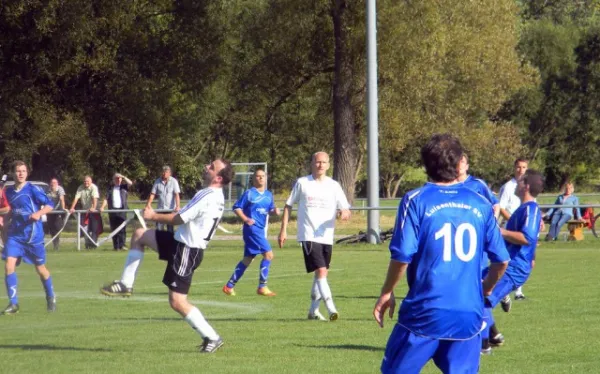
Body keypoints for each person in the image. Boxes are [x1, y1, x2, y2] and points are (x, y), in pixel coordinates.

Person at [373, 134, 509, 374]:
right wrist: (486, 288)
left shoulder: (415, 200)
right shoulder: (480, 204)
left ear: (425, 166)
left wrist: (386, 292)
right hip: (469, 315)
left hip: (425, 312)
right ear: (459, 164)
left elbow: (402, 255)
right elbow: (501, 260)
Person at [100, 159, 234, 353]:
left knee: (177, 302)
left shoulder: (207, 194)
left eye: (211, 168)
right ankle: (125, 284)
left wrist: (153, 216)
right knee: (139, 235)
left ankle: (212, 337)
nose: (206, 168)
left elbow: (179, 219)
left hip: (187, 250)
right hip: (180, 242)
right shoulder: (216, 195)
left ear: (218, 178)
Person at [278, 152, 351, 321]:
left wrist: (345, 213)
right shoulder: (303, 183)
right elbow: (288, 205)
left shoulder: (334, 185)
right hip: (308, 234)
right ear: (312, 163)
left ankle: (313, 311)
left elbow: (345, 208)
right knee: (321, 270)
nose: (320, 165)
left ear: (328, 165)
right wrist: (283, 230)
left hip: (326, 235)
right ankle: (331, 308)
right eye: (317, 162)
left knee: (320, 274)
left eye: (324, 162)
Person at [481, 169, 544, 353]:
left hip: (513, 268)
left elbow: (528, 238)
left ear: (526, 186)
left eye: (521, 181)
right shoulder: (524, 209)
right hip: (508, 264)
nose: (517, 183)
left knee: (482, 299)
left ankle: (484, 345)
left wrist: (501, 232)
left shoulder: (531, 209)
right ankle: (492, 336)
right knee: (474, 287)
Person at [1, 161, 56, 315]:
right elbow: (11, 210)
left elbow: (50, 204)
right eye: (18, 171)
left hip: (33, 237)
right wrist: (5, 224)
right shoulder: (9, 191)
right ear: (13, 173)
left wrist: (38, 214)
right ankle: (13, 304)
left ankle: (51, 297)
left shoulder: (33, 189)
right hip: (16, 235)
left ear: (27, 173)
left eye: (23, 171)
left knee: (41, 270)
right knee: (8, 266)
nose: (21, 173)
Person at [223, 169, 280, 297]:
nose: (260, 178)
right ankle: (262, 286)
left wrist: (274, 211)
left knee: (248, 259)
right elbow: (236, 207)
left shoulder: (269, 195)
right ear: (253, 179)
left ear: (266, 178)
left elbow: (269, 209)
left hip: (259, 229)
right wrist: (245, 219)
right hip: (252, 229)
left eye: (262, 176)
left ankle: (229, 286)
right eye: (257, 176)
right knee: (269, 255)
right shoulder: (249, 193)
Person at [497, 158, 529, 300]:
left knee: (522, 258)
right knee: (507, 258)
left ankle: (518, 292)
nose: (521, 170)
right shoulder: (508, 187)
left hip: (524, 228)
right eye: (518, 167)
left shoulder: (528, 186)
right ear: (514, 168)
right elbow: (501, 207)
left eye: (523, 167)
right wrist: (513, 220)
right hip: (510, 228)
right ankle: (503, 291)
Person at [100, 173, 133, 251]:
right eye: (116, 178)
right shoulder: (110, 188)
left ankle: (122, 245)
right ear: (113, 180)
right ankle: (116, 246)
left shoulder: (124, 187)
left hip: (122, 210)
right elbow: (106, 199)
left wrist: (123, 176)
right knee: (114, 229)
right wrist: (102, 207)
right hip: (112, 211)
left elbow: (130, 183)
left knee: (122, 229)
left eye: (119, 178)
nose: (118, 180)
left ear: (121, 179)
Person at [146, 166, 181, 232]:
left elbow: (177, 194)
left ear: (170, 173)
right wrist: (148, 204)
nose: (164, 173)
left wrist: (178, 206)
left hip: (170, 210)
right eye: (163, 172)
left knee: (170, 230)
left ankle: (169, 242)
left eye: (166, 172)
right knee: (159, 230)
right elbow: (152, 194)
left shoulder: (174, 181)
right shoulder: (157, 181)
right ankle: (159, 241)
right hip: (160, 209)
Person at [69, 176, 101, 249]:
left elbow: (94, 198)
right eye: (85, 181)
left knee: (94, 229)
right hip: (85, 211)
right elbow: (76, 198)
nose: (86, 183)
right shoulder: (80, 187)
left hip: (94, 211)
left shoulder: (94, 187)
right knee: (84, 228)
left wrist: (94, 207)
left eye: (88, 181)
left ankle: (93, 245)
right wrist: (72, 208)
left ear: (91, 181)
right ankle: (87, 244)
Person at [45, 178, 66, 251]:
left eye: (55, 182)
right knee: (52, 229)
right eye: (52, 182)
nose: (53, 184)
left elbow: (61, 199)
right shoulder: (48, 190)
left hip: (58, 210)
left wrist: (63, 208)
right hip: (50, 211)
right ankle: (55, 246)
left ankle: (56, 245)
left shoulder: (60, 189)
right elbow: (45, 200)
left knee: (57, 227)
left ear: (57, 183)